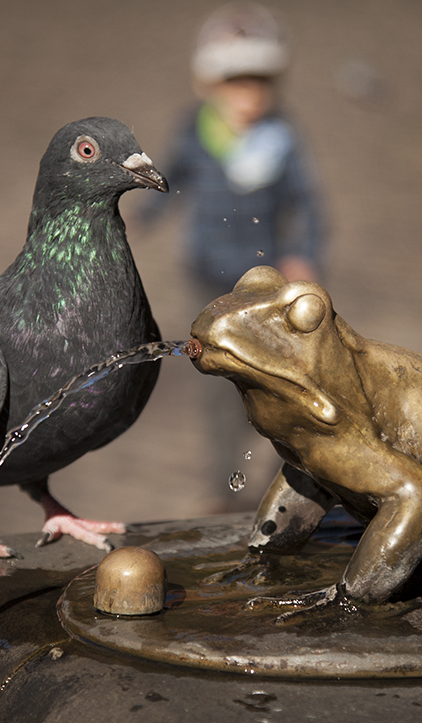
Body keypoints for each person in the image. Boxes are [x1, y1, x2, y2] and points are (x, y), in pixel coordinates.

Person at [141, 2, 328, 511]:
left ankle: (281, 476)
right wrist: (138, 214)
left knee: (279, 383)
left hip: (263, 287)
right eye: (236, 83)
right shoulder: (195, 131)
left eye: (260, 83)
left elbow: (307, 203)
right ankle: (226, 491)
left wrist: (303, 255)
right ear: (208, 84)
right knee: (217, 390)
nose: (249, 97)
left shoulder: (282, 137)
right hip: (208, 279)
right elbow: (169, 180)